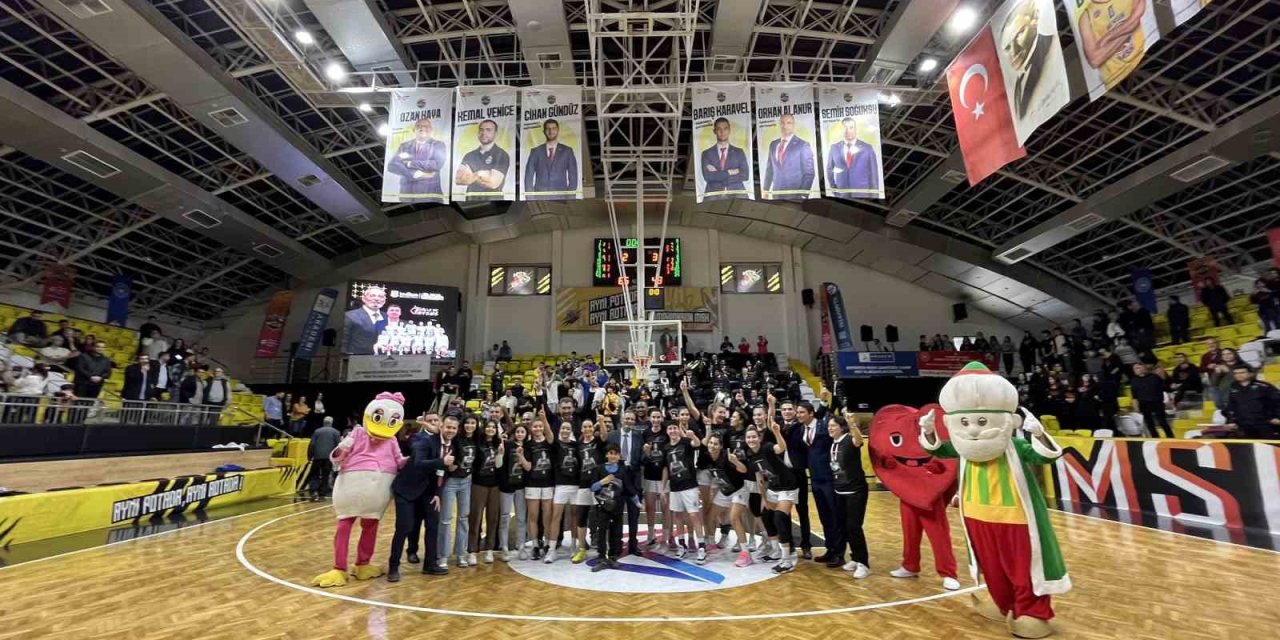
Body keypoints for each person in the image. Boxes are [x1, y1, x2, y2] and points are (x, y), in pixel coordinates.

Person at [747, 421, 799, 573]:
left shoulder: (767, 447)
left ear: (759, 438)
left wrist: (777, 432)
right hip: (773, 488)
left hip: (788, 485)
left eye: (753, 437)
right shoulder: (751, 455)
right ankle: (776, 551)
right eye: (748, 437)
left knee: (779, 518)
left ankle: (787, 560)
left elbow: (781, 447)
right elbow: (759, 478)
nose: (751, 440)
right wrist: (764, 497)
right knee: (766, 515)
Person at [1074, 0, 1151, 91]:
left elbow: (1136, 18)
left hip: (1145, 57)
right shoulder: (1085, 17)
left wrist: (1107, 38)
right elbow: (1095, 60)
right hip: (1115, 80)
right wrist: (1128, 29)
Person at [826, 415, 869, 578]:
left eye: (833, 426)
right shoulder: (834, 443)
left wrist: (853, 425)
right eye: (829, 426)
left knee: (854, 527)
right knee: (844, 526)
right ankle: (855, 557)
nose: (830, 428)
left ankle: (863, 563)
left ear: (841, 427)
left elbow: (859, 441)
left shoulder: (849, 439)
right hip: (839, 491)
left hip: (855, 491)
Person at [439, 415, 477, 568]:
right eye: (467, 423)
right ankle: (442, 556)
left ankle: (461, 553)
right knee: (446, 519)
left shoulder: (477, 438)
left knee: (463, 518)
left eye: (472, 423)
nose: (469, 425)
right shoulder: (455, 438)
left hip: (467, 480)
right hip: (451, 482)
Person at [589, 443, 635, 571]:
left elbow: (628, 487)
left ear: (619, 456)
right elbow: (592, 487)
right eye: (610, 453)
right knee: (602, 531)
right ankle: (602, 557)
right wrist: (603, 482)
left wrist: (636, 501)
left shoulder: (623, 469)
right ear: (606, 455)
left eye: (615, 453)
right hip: (603, 506)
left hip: (618, 506)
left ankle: (613, 556)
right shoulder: (599, 469)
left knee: (616, 531)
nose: (613, 456)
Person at [606, 409, 645, 555]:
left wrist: (646, 453)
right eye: (626, 418)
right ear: (622, 419)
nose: (629, 421)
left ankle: (633, 546)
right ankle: (616, 545)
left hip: (634, 479)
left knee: (634, 515)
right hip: (617, 479)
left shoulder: (639, 437)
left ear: (634, 422)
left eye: (631, 419)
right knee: (616, 514)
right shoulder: (612, 435)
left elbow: (642, 460)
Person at [468, 420, 505, 564]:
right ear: (484, 428)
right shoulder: (478, 442)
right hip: (478, 484)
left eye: (493, 427)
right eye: (488, 426)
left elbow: (498, 465)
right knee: (475, 517)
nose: (490, 429)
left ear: (497, 430)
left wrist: (500, 454)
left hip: (494, 485)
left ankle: (489, 549)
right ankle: (472, 550)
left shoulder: (498, 444)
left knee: (493, 518)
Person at [387, 118, 447, 201]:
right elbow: (392, 165)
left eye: (426, 126)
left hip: (429, 196)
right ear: (413, 129)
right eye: (419, 126)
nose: (423, 128)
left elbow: (436, 164)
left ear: (431, 130)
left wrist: (411, 163)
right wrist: (415, 174)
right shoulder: (404, 146)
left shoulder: (438, 145)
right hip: (406, 195)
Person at [520, 417, 555, 560]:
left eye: (540, 426)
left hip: (548, 483)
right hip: (532, 483)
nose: (538, 429)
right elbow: (528, 467)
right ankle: (535, 544)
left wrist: (544, 419)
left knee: (547, 516)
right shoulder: (528, 445)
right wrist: (520, 456)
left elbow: (551, 435)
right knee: (533, 516)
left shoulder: (549, 441)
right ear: (531, 429)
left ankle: (546, 543)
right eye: (535, 427)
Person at [453, 119, 510, 201]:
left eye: (488, 130)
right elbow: (458, 179)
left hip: (494, 203)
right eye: (481, 130)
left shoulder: (501, 154)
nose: (484, 133)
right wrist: (484, 174)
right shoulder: (469, 155)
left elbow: (493, 182)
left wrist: (473, 175)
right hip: (470, 202)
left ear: (495, 133)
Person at [762, 113, 815, 199]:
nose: (785, 126)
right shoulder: (773, 144)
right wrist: (765, 190)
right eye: (782, 123)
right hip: (776, 195)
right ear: (779, 125)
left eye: (788, 123)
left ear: (793, 125)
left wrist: (803, 195)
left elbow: (809, 173)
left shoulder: (803, 145)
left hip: (795, 196)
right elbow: (769, 169)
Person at [523, 119, 578, 199]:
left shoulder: (567, 151)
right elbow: (528, 176)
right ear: (544, 131)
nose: (551, 131)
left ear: (558, 130)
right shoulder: (535, 151)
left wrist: (570, 199)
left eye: (553, 128)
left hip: (561, 198)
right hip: (539, 198)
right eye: (548, 129)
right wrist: (530, 199)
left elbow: (573, 177)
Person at [825, 116, 880, 197]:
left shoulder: (867, 148)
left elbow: (873, 173)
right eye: (845, 128)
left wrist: (874, 196)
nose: (848, 131)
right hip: (842, 194)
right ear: (841, 130)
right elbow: (829, 169)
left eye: (851, 127)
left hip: (863, 194)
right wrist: (834, 188)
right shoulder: (834, 147)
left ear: (855, 129)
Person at [1223, 365, 1280, 439]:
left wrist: (1276, 417)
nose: (1238, 375)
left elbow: (1277, 402)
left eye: (1242, 372)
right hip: (1243, 425)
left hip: (1265, 424)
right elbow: (1231, 406)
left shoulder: (1264, 386)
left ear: (1251, 374)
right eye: (1235, 373)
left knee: (1268, 447)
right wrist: (1230, 421)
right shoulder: (1233, 387)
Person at [700, 117, 749, 199]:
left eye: (725, 128)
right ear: (714, 131)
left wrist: (718, 174)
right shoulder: (706, 154)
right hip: (713, 193)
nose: (722, 132)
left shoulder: (739, 152)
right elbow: (708, 177)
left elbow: (745, 175)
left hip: (737, 192)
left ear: (729, 130)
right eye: (719, 129)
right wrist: (730, 172)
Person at [1130, 363, 1172, 438]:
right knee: (1150, 424)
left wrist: (1168, 400)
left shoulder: (1154, 377)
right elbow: (1134, 396)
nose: (1136, 370)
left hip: (1157, 402)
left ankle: (1171, 438)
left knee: (1162, 422)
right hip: (1144, 404)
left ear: (1143, 367)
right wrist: (1136, 407)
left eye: (1138, 368)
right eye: (1135, 369)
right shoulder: (1134, 381)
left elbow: (1164, 388)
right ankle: (1155, 439)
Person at [343, 285, 385, 354]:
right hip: (357, 360)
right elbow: (343, 342)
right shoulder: (350, 316)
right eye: (372, 296)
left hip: (384, 360)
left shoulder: (387, 317)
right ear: (364, 298)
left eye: (380, 296)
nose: (376, 299)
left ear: (384, 301)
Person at [309, 416, 342, 500]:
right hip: (328, 458)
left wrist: (309, 456)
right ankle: (322, 493)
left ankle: (314, 491)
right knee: (325, 475)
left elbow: (312, 445)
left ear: (323, 422)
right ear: (331, 423)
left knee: (314, 474)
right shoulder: (336, 432)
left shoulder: (317, 431)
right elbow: (339, 446)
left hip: (317, 457)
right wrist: (338, 458)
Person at [121, 355, 151, 425]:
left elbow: (150, 382)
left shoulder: (149, 370)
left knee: (140, 416)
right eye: (142, 359)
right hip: (131, 396)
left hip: (144, 396)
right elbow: (131, 379)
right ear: (138, 360)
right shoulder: (130, 368)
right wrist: (142, 371)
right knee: (126, 415)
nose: (144, 361)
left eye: (146, 359)